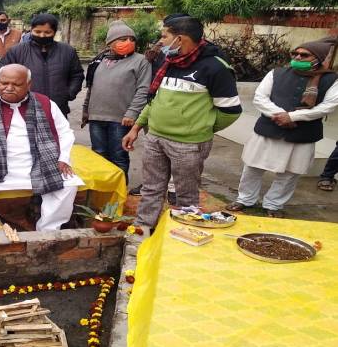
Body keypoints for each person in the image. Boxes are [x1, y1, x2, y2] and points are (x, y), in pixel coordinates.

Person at [122, 16, 242, 235]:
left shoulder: (216, 68)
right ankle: (143, 229)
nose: (161, 41)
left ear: (180, 39)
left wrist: (201, 127)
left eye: (164, 36)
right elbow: (154, 100)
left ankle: (183, 235)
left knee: (186, 195)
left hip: (189, 144)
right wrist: (136, 127)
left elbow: (231, 111)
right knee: (151, 189)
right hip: (155, 138)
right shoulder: (170, 62)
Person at [0, 64, 84, 231]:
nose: (9, 88)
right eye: (4, 83)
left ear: (28, 85)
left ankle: (47, 231)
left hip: (39, 164)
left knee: (68, 185)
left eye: (16, 84)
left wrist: (63, 159)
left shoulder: (46, 103)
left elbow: (65, 132)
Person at [226, 38, 338, 217]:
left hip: (302, 135)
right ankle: (245, 199)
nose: (297, 57)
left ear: (318, 59)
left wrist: (293, 117)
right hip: (269, 129)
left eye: (304, 55)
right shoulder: (276, 73)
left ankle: (274, 205)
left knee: (290, 173)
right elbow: (260, 98)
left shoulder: (332, 80)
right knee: (252, 167)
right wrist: (280, 115)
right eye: (295, 54)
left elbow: (328, 107)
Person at [81, 20, 151, 181]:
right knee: (98, 155)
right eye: (123, 39)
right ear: (110, 43)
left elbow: (143, 90)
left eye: (132, 39)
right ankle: (101, 190)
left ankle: (118, 191)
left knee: (118, 156)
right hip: (96, 117)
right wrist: (86, 110)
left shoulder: (141, 61)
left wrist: (132, 113)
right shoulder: (99, 61)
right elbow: (91, 88)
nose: (128, 42)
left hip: (121, 119)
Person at [1, 14, 84, 117]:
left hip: (58, 108)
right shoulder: (17, 51)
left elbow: (77, 75)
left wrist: (68, 94)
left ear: (54, 32)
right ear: (31, 30)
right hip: (25, 108)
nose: (42, 36)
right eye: (37, 32)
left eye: (47, 32)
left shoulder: (67, 51)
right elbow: (3, 74)